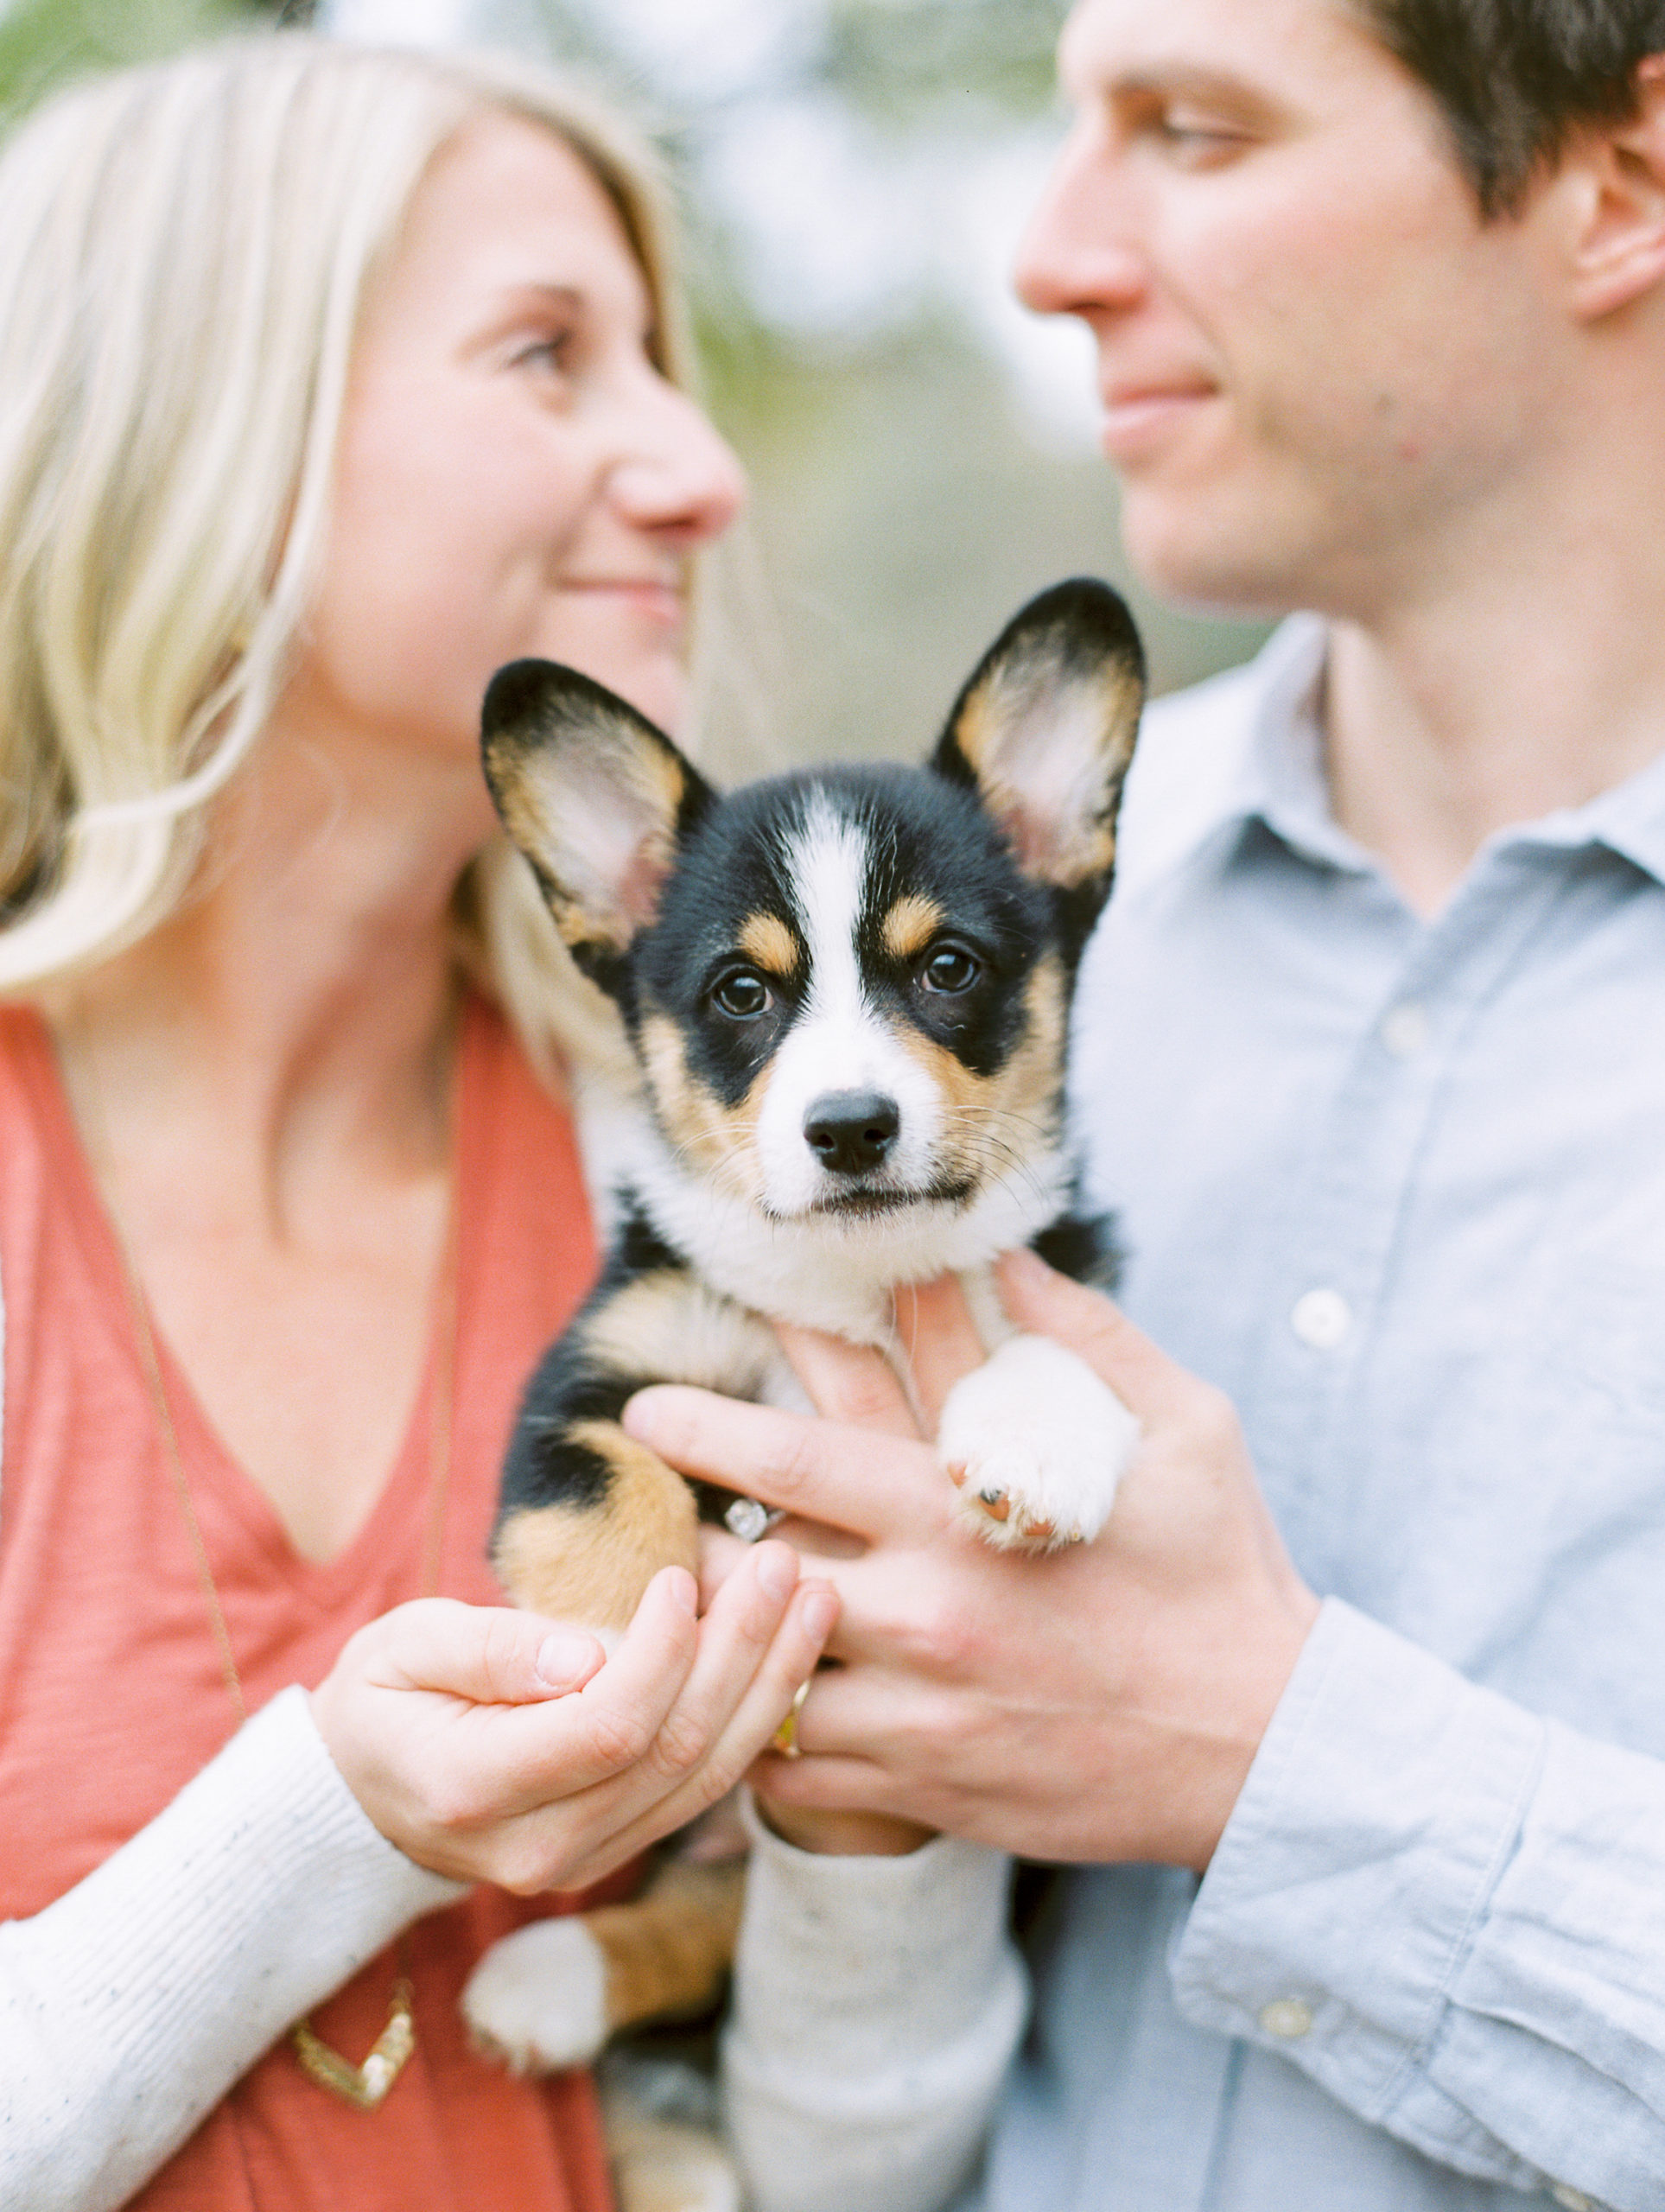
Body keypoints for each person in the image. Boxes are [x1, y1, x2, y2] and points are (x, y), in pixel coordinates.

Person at [627, 3, 1665, 2208]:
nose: (1049, 252)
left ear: (1620, 182)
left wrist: (1271, 1759)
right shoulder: (968, 949)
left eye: (1193, 129)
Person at [0, 34, 848, 2210]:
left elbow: (858, 2107)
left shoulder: (683, 1174)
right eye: (548, 354)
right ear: (211, 426)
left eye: (663, 360)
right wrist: (334, 1826)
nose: (693, 466)